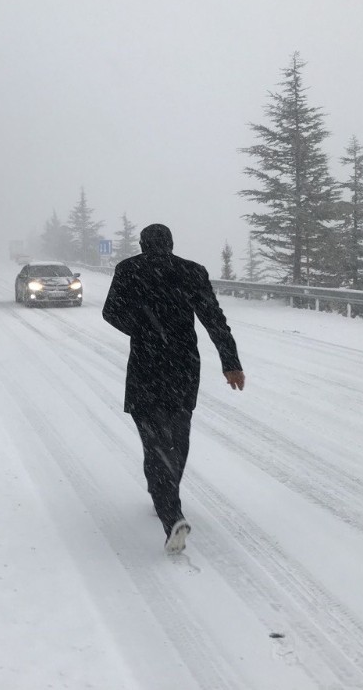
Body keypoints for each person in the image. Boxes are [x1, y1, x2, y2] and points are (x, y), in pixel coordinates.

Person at [102, 223, 244, 554]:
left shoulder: (128, 269)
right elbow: (214, 319)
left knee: (155, 444)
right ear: (171, 243)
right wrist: (231, 363)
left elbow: (111, 312)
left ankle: (171, 511)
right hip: (183, 368)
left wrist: (142, 328)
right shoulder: (191, 271)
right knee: (177, 441)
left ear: (142, 244)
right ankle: (166, 495)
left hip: (145, 368)